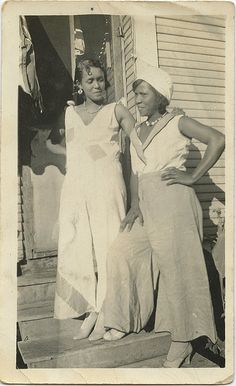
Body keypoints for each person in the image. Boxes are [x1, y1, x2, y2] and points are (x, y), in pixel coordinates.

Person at [102, 65, 225, 367]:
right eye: (135, 94)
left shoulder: (177, 122)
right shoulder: (138, 130)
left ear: (160, 97)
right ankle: (123, 318)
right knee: (122, 250)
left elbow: (217, 139)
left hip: (173, 201)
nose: (137, 100)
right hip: (146, 203)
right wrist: (134, 205)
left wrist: (193, 176)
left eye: (143, 94)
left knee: (176, 272)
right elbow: (135, 172)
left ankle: (182, 341)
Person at [46, 59, 142, 341]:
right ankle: (92, 308)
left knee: (108, 244)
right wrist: (76, 155)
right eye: (91, 81)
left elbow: (140, 144)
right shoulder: (69, 113)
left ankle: (109, 311)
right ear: (80, 85)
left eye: (101, 79)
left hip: (108, 184)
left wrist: (136, 199)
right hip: (76, 186)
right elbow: (52, 143)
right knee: (76, 245)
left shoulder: (116, 110)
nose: (98, 85)